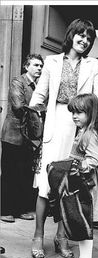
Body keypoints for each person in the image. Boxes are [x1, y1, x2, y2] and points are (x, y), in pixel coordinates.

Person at [29, 18, 98, 258]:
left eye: (89, 37)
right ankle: (38, 235)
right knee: (46, 185)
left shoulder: (92, 64)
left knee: (70, 186)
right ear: (71, 34)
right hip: (55, 127)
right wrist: (38, 112)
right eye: (81, 35)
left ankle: (62, 237)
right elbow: (38, 97)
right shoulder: (52, 61)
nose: (84, 40)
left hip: (80, 128)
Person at [60, 93, 98, 258]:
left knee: (85, 227)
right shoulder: (83, 130)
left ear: (91, 113)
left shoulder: (89, 134)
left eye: (79, 112)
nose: (75, 116)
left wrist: (78, 166)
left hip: (87, 186)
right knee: (81, 226)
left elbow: (95, 159)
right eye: (73, 113)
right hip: (81, 185)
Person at [1, 53, 44, 223]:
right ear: (27, 67)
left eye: (41, 66)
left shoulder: (40, 85)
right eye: (35, 65)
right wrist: (38, 108)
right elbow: (18, 106)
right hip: (13, 135)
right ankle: (5, 210)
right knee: (9, 174)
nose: (39, 68)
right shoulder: (18, 81)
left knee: (25, 174)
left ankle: (20, 210)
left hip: (29, 138)